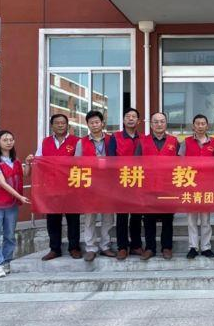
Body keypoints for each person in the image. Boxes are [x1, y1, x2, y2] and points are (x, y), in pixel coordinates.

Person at [26, 114, 80, 261]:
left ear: (68, 125)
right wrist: (31, 160)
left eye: (63, 123)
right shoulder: (45, 142)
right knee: (53, 219)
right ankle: (55, 249)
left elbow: (82, 163)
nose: (60, 125)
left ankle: (74, 248)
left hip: (71, 186)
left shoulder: (77, 141)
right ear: (52, 126)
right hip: (51, 187)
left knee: (73, 219)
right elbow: (38, 162)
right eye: (57, 123)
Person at [0, 130, 31, 278]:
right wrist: (20, 197)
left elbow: (25, 173)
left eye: (11, 139)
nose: (9, 142)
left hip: (11, 205)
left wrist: (28, 163)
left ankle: (7, 262)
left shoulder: (15, 161)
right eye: (5, 140)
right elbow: (3, 184)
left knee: (10, 235)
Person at [139, 112, 180, 260]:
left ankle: (166, 247)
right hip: (148, 186)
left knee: (168, 218)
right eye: (155, 122)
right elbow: (135, 163)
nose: (159, 124)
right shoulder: (142, 141)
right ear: (151, 124)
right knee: (148, 218)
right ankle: (150, 248)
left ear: (166, 123)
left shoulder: (174, 141)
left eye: (162, 121)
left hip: (168, 186)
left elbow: (180, 163)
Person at [74, 110, 113, 262]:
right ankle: (90, 248)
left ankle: (105, 246)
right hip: (90, 184)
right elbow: (76, 163)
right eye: (92, 123)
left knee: (108, 217)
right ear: (88, 125)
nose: (95, 125)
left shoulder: (111, 140)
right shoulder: (81, 142)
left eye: (97, 122)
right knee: (90, 217)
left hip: (108, 184)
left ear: (102, 123)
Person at [107, 107, 144, 260]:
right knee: (122, 216)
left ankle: (136, 245)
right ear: (123, 120)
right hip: (121, 181)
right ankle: (122, 247)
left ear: (138, 121)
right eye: (127, 116)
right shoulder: (115, 137)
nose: (130, 119)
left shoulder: (143, 138)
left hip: (138, 180)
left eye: (133, 116)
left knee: (136, 215)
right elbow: (110, 159)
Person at [182, 114, 214, 259]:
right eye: (198, 123)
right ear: (193, 126)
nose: (200, 126)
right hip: (190, 185)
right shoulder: (186, 142)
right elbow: (179, 163)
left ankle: (206, 247)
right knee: (191, 219)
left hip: (207, 185)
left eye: (203, 123)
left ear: (207, 126)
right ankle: (193, 247)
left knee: (205, 219)